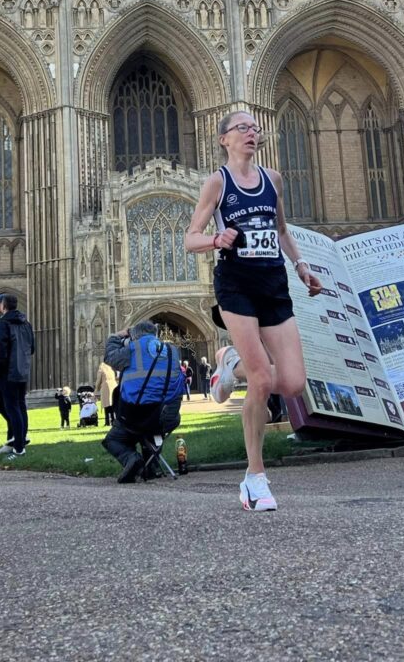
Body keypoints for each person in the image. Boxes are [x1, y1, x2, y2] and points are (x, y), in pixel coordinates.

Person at [185, 110, 321, 512]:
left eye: (255, 128)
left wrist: (301, 266)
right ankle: (254, 478)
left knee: (294, 382)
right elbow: (190, 238)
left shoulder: (273, 180)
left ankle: (229, 364)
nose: (252, 133)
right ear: (224, 139)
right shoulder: (218, 183)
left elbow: (281, 231)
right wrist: (215, 239)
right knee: (262, 378)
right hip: (236, 284)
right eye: (242, 128)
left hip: (273, 283)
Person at [101, 319, 187, 483]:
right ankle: (151, 467)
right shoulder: (172, 350)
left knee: (113, 439)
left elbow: (110, 357)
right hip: (168, 417)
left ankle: (132, 459)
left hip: (138, 417)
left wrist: (116, 336)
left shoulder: (133, 348)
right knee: (151, 428)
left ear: (134, 336)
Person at [0, 294, 34, 458]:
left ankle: (19, 448)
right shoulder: (26, 323)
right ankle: (17, 437)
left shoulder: (2, 325)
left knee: (14, 407)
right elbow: (31, 347)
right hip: (22, 370)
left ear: (3, 305)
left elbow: (0, 353)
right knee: (3, 404)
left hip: (7, 372)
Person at [94, 360, 117, 427]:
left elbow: (98, 381)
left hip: (106, 386)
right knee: (112, 404)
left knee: (106, 405)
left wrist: (96, 389)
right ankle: (113, 420)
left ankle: (107, 421)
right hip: (113, 386)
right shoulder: (111, 370)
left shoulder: (101, 370)